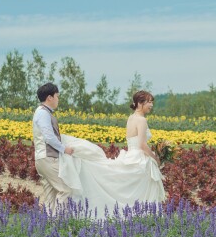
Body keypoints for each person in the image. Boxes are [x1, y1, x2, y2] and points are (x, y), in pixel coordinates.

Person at [58, 90, 166, 215]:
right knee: (141, 191)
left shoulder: (131, 118)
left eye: (152, 102)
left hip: (131, 154)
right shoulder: (141, 120)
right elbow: (142, 144)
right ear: (140, 103)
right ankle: (142, 214)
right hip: (139, 158)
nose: (151, 105)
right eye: (149, 102)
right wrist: (155, 157)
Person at [32, 83, 74, 211]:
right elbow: (49, 137)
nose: (58, 99)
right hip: (48, 158)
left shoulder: (41, 112)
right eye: (57, 96)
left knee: (51, 195)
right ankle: (59, 222)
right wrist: (64, 148)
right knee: (65, 189)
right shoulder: (43, 113)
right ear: (49, 97)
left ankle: (49, 225)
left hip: (42, 158)